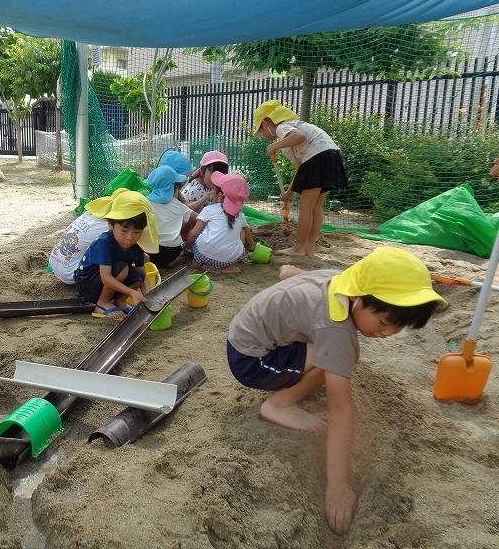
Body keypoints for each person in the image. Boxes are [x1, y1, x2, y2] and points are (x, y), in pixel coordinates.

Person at [226, 247, 446, 534]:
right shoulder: (337, 329)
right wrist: (339, 485)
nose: (387, 333)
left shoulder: (340, 281)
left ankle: (292, 380)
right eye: (383, 322)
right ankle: (279, 404)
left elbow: (288, 273)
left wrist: (289, 274)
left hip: (249, 338)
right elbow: (340, 409)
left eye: (399, 327)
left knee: (342, 352)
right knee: (343, 354)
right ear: (358, 297)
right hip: (251, 361)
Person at [253, 100, 348, 257]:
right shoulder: (288, 141)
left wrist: (274, 146)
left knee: (305, 208)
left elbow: (300, 136)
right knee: (315, 208)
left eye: (260, 130)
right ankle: (309, 248)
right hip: (331, 156)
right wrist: (288, 194)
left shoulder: (283, 127)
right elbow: (301, 171)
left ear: (266, 123)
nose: (262, 136)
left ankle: (299, 248)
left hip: (318, 157)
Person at [73, 190, 159, 320]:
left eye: (137, 231)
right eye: (124, 230)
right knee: (122, 267)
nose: (130, 237)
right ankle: (102, 303)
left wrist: (148, 298)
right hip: (89, 284)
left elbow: (143, 274)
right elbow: (106, 277)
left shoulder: (138, 245)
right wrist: (131, 292)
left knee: (139, 275)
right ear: (110, 224)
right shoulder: (104, 242)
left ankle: (119, 301)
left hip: (112, 282)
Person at [49, 188, 127, 285]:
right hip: (71, 274)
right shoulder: (110, 226)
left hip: (55, 264)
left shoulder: (89, 214)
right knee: (121, 263)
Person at [185, 172, 254, 274]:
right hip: (226, 260)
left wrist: (189, 246)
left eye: (214, 190)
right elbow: (250, 243)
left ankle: (197, 262)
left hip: (202, 254)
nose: (212, 192)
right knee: (242, 231)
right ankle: (228, 267)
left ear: (220, 195)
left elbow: (194, 234)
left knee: (202, 226)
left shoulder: (209, 209)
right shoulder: (240, 216)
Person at [145, 165, 197, 267]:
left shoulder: (145, 202)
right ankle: (170, 262)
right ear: (174, 186)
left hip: (150, 250)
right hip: (172, 251)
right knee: (175, 248)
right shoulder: (178, 205)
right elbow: (199, 219)